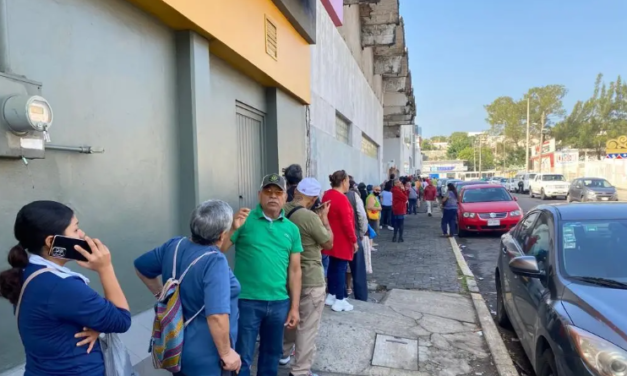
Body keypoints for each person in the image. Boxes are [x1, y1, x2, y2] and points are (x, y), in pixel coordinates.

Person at [0, 201, 131, 376]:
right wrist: (105, 268)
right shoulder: (61, 286)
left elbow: (57, 317)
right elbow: (121, 320)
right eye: (75, 229)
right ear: (51, 241)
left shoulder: (27, 270)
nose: (82, 234)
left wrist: (98, 325)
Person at [134, 200, 245, 376]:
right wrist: (226, 353)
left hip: (176, 345)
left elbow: (141, 266)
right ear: (223, 235)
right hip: (206, 355)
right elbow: (216, 316)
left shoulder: (174, 245)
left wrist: (161, 294)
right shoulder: (215, 261)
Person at [220, 173, 303, 376]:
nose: (273, 196)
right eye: (268, 192)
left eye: (278, 192)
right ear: (259, 195)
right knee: (243, 356)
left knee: (271, 355)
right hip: (247, 301)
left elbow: (295, 270)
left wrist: (294, 307)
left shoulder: (292, 230)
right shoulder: (244, 221)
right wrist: (232, 228)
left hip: (279, 302)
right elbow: (219, 251)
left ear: (285, 197)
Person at [280, 178, 333, 376]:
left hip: (287, 276)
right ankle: (301, 370)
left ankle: (283, 353)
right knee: (307, 326)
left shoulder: (282, 211)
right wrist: (324, 219)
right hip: (310, 277)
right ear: (312, 198)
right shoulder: (309, 218)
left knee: (290, 319)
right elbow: (328, 243)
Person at [322, 170, 358, 312]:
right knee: (340, 269)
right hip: (342, 240)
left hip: (330, 237)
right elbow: (347, 223)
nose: (349, 184)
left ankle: (331, 295)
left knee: (332, 267)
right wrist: (354, 241)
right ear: (343, 181)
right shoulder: (342, 199)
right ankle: (340, 299)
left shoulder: (327, 194)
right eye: (348, 181)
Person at [345, 177, 369, 302]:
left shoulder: (329, 195)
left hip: (337, 239)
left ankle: (340, 294)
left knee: (339, 268)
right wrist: (361, 232)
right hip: (353, 236)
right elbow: (362, 215)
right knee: (358, 270)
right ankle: (361, 297)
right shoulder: (353, 196)